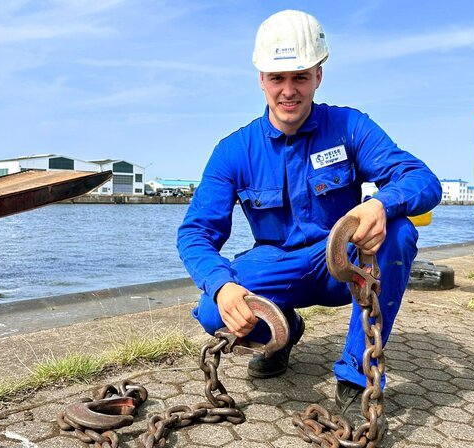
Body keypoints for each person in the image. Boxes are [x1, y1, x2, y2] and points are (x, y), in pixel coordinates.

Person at [176, 9, 441, 413]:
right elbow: (195, 233)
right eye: (277, 78)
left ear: (318, 75)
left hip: (341, 264)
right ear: (261, 79)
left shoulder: (350, 127)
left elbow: (422, 179)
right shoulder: (233, 151)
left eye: (299, 77)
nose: (288, 91)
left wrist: (380, 204)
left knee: (400, 231)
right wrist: (221, 284)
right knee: (215, 311)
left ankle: (356, 375)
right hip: (276, 265)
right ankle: (282, 329)